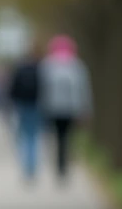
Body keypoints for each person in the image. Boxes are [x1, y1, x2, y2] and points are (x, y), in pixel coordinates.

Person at [39, 35, 92, 182]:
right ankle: (63, 164)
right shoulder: (77, 65)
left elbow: (42, 88)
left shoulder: (47, 65)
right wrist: (86, 108)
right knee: (66, 136)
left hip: (52, 107)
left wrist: (42, 106)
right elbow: (84, 89)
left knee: (56, 136)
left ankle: (59, 163)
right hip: (71, 108)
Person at [8, 52, 42, 181]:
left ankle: (25, 166)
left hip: (22, 106)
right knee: (34, 136)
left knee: (24, 136)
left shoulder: (19, 71)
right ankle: (32, 165)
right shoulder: (39, 71)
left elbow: (12, 90)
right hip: (36, 106)